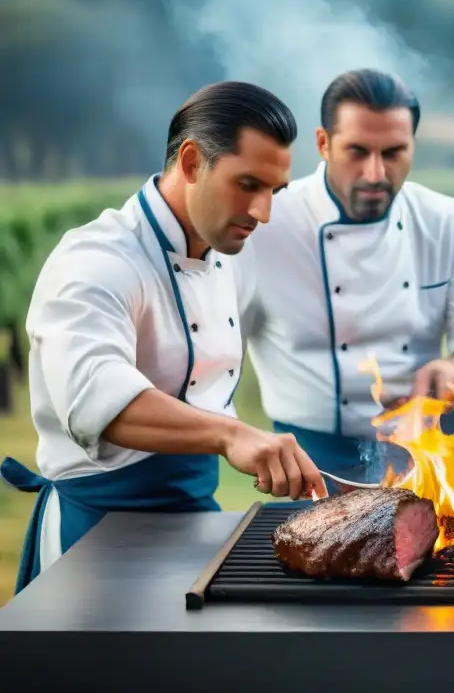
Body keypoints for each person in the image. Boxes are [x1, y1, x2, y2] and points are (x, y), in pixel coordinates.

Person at [0, 81, 328, 595]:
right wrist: (231, 435)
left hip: (193, 521)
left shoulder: (229, 258)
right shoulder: (96, 261)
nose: (263, 213)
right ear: (193, 162)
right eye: (248, 184)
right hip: (96, 539)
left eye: (275, 192)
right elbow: (98, 403)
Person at [236, 68, 454, 483]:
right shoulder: (266, 225)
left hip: (418, 453)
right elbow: (215, 351)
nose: (375, 174)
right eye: (358, 151)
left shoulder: (445, 221)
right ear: (323, 144)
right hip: (308, 458)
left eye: (393, 153)